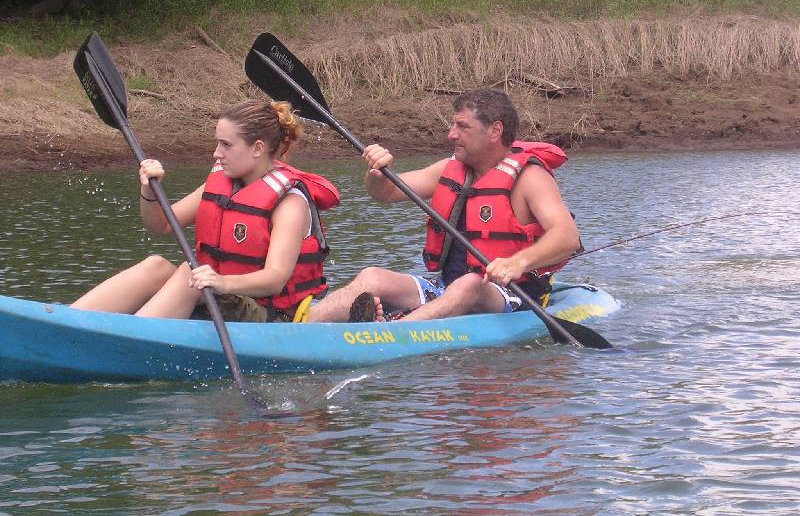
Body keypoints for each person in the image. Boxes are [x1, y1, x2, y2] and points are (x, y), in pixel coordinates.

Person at [307, 88, 580, 323]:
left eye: (462, 127)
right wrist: (376, 172)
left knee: (470, 284)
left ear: (495, 130)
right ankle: (298, 326)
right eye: (453, 125)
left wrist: (517, 262)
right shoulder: (450, 170)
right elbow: (385, 193)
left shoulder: (530, 177)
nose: (451, 134)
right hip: (446, 289)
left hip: (510, 295)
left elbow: (566, 237)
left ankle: (386, 334)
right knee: (372, 277)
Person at [72, 99, 339, 322]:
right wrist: (150, 192)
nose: (216, 153)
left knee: (191, 273)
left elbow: (274, 280)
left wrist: (220, 283)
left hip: (269, 315)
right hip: (221, 295)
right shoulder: (223, 183)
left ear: (257, 148)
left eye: (226, 144)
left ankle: (127, 341)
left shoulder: (289, 203)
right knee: (156, 266)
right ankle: (69, 321)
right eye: (217, 143)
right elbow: (162, 224)